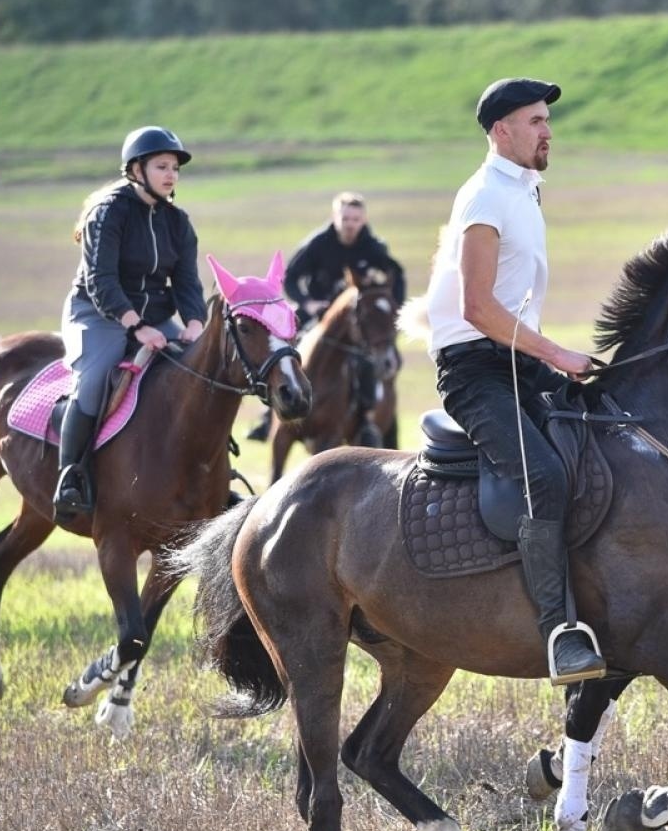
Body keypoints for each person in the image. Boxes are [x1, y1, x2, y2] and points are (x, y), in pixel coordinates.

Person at [420, 76, 604, 686]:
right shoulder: (484, 198)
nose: (548, 129)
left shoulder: (526, 191)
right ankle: (558, 632)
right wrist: (558, 353)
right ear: (501, 131)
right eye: (535, 120)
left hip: (518, 362)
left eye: (548, 119)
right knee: (543, 476)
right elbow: (477, 308)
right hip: (475, 370)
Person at [53, 126, 207, 525]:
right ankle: (71, 477)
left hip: (155, 318)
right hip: (97, 314)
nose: (171, 174)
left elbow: (188, 282)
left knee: (202, 368)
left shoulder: (177, 222)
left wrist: (193, 323)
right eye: (162, 166)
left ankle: (211, 477)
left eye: (175, 168)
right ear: (136, 169)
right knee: (94, 378)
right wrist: (136, 327)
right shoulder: (108, 213)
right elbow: (100, 281)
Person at [245, 192, 405, 442]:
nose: (351, 224)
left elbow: (395, 276)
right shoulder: (319, 243)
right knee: (282, 352)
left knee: (368, 360)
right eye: (346, 218)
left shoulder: (374, 247)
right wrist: (307, 302)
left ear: (363, 220)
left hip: (354, 322)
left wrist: (391, 312)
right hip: (317, 315)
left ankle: (363, 419)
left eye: (356, 219)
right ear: (335, 217)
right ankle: (269, 416)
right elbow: (290, 276)